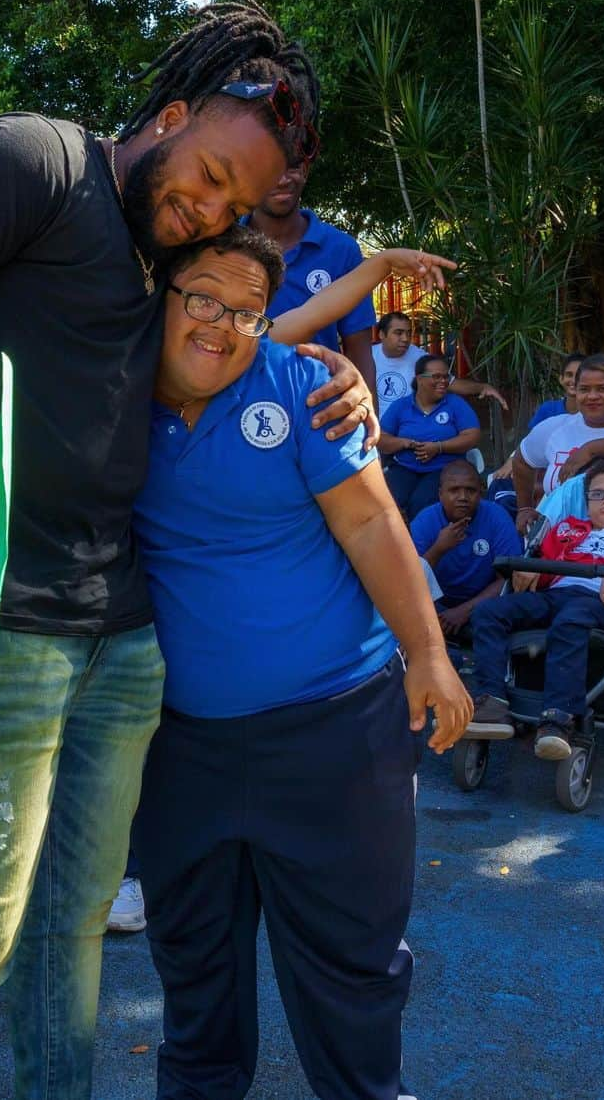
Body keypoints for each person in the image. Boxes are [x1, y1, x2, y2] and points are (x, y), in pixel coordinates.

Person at [0, 0, 378, 1100]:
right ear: (170, 112)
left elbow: (230, 348)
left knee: (71, 929)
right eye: (209, 171)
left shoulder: (166, 257)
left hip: (118, 639)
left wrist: (335, 377)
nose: (207, 205)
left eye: (236, 198)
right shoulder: (34, 161)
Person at [129, 226, 471, 1100]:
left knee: (351, 967)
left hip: (336, 728)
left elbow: (369, 522)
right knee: (193, 967)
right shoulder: (107, 390)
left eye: (246, 311)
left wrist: (429, 654)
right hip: (176, 744)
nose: (220, 324)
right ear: (160, 294)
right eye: (202, 297)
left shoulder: (306, 386)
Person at [467, 459, 604, 760]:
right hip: (556, 594)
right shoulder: (567, 529)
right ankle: (491, 700)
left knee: (572, 619)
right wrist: (530, 571)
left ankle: (559, 716)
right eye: (598, 494)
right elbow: (545, 566)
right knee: (489, 611)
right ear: (588, 503)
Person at [244, 160, 378, 396]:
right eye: (269, 166)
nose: (282, 179)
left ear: (305, 171)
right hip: (236, 403)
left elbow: (359, 349)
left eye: (292, 167)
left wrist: (370, 423)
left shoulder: (340, 249)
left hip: (316, 408)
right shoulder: (221, 245)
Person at [513, 353, 604, 532]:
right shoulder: (554, 428)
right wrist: (524, 508)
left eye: (603, 388)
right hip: (559, 547)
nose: (592, 396)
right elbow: (522, 461)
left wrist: (592, 449)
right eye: (584, 389)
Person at [410, 460, 522, 642]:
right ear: (440, 494)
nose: (463, 497)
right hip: (437, 606)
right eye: (454, 490)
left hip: (483, 605)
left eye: (470, 490)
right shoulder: (425, 521)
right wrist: (438, 549)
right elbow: (410, 580)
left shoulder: (496, 517)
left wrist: (465, 611)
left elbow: (510, 578)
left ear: (481, 493)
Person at [379, 356, 482, 520]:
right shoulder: (401, 406)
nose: (443, 381)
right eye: (436, 377)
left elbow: (472, 435)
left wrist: (439, 447)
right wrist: (404, 443)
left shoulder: (455, 404)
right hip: (404, 467)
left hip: (444, 469)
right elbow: (381, 438)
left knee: (422, 503)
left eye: (445, 377)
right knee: (387, 503)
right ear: (419, 379)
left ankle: (421, 543)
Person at [371, 311, 506, 418]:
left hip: (408, 427)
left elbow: (450, 383)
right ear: (382, 334)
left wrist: (482, 388)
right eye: (398, 333)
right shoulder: (368, 356)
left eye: (408, 333)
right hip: (372, 427)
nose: (405, 339)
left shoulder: (420, 358)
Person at [526, 352, 585, 430]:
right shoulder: (547, 409)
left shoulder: (594, 412)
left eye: (579, 375)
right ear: (561, 379)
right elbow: (532, 439)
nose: (574, 380)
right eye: (569, 375)